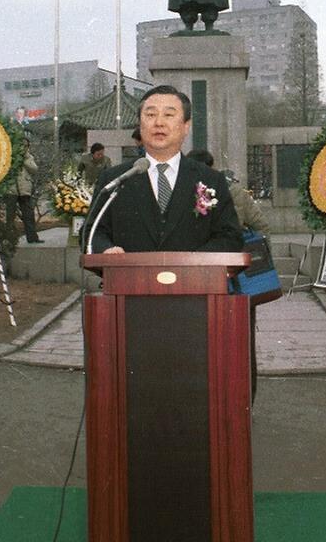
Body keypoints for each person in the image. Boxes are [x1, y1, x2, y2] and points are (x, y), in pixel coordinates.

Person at [89, 86, 243, 254]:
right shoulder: (114, 179)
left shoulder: (211, 180)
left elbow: (231, 237)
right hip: (130, 278)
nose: (159, 123)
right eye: (150, 115)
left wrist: (196, 262)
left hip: (193, 279)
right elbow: (92, 232)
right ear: (140, 124)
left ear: (186, 126)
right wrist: (106, 250)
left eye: (169, 115)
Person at [187, 149, 271, 406]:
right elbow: (262, 228)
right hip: (238, 281)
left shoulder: (191, 193)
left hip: (207, 281)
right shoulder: (234, 191)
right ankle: (245, 403)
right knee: (243, 345)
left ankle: (211, 402)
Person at [5, 139, 43, 244]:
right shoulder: (9, 155)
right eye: (21, 145)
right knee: (10, 216)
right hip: (11, 190)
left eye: (26, 146)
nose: (23, 148)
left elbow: (34, 169)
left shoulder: (29, 157)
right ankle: (8, 238)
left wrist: (24, 160)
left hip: (25, 190)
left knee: (29, 215)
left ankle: (32, 237)